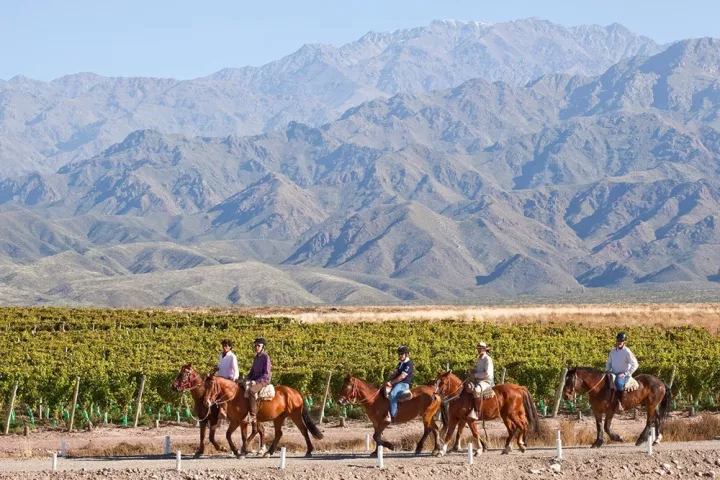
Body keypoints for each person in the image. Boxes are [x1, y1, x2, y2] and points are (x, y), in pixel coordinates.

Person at [606, 332, 639, 411]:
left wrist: (625, 373)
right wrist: (607, 370)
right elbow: (609, 363)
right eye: (618, 341)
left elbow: (635, 364)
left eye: (621, 341)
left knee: (618, 383)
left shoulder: (627, 352)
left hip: (623, 375)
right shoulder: (613, 351)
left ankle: (621, 403)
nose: (619, 343)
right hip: (613, 373)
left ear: (624, 342)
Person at [244, 336, 271, 424]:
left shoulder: (266, 357)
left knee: (251, 391)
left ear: (263, 347)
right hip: (254, 379)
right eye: (255, 345)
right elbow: (252, 371)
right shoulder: (256, 358)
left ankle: (253, 415)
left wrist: (256, 381)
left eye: (258, 345)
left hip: (263, 381)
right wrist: (246, 377)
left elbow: (266, 374)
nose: (256, 347)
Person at [384, 345, 414, 423]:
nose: (400, 356)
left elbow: (402, 376)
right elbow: (395, 373)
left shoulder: (409, 364)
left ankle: (393, 416)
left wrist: (391, 382)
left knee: (393, 395)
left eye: (402, 354)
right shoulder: (400, 363)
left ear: (406, 354)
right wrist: (387, 381)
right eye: (399, 354)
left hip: (403, 384)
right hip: (396, 383)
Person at [214, 339, 239, 418]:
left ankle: (222, 411)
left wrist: (234, 378)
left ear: (230, 347)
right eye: (223, 346)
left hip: (228, 379)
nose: (224, 347)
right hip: (220, 378)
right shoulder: (221, 355)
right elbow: (220, 365)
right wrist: (215, 369)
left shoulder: (232, 356)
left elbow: (236, 369)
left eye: (226, 346)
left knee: (223, 394)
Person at [469, 341, 494, 418]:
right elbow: (480, 370)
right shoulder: (479, 358)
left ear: (484, 349)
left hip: (486, 381)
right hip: (478, 379)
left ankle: (477, 412)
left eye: (480, 349)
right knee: (467, 387)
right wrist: (474, 371)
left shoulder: (487, 359)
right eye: (478, 349)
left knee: (476, 390)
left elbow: (488, 374)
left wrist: (475, 375)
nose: (478, 350)